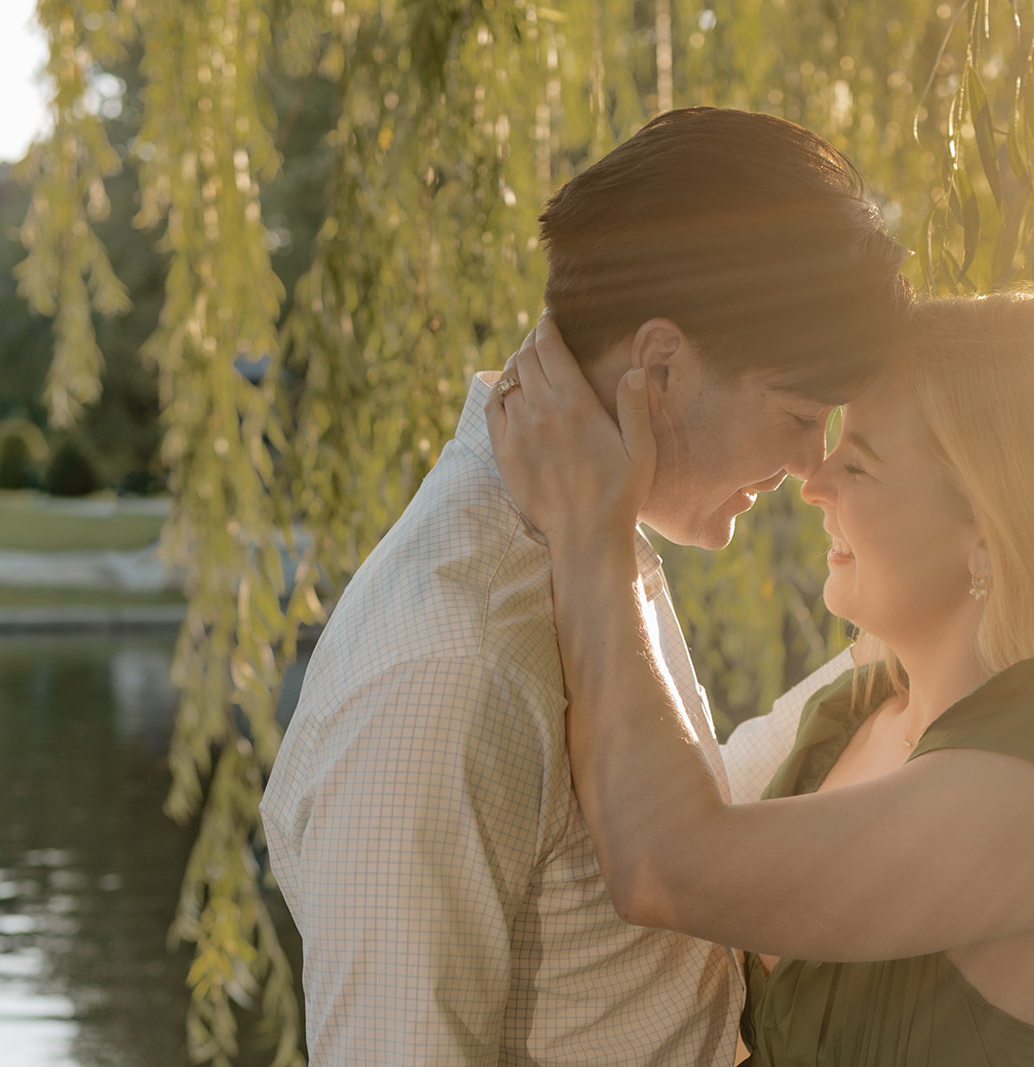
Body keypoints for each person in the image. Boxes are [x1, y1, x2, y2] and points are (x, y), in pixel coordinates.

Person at [259, 107, 911, 1065]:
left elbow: (679, 818)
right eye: (798, 412)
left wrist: (927, 633)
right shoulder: (452, 657)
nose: (811, 462)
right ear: (658, 366)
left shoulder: (586, 539)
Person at [487, 290, 1034, 1066]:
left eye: (860, 461)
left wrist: (593, 527)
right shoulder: (860, 708)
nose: (812, 481)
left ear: (992, 532)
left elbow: (662, 862)